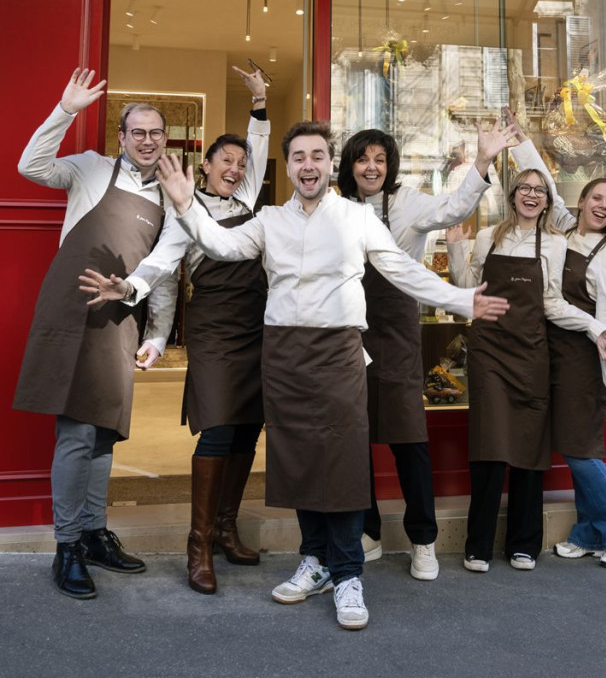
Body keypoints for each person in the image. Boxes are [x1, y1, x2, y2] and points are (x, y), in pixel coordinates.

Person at [155, 120, 509, 631]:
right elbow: (221, 247)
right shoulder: (270, 219)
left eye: (317, 155)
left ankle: (347, 575)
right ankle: (315, 559)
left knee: (341, 463)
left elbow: (401, 269)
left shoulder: (355, 217)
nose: (308, 165)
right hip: (282, 354)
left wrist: (459, 300)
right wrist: (187, 205)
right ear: (288, 166)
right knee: (298, 461)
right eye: (298, 157)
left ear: (328, 164)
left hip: (340, 351)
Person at [79, 67, 270, 595]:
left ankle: (227, 528)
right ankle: (198, 544)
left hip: (256, 327)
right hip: (214, 330)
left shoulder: (250, 202)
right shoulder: (185, 206)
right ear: (205, 165)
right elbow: (164, 264)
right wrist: (136, 295)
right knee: (218, 429)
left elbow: (257, 142)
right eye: (225, 160)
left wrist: (259, 102)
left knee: (249, 428)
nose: (235, 168)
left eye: (241, 163)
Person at [13, 68, 178, 599]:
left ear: (165, 139)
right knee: (77, 433)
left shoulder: (172, 195)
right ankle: (66, 547)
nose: (147, 140)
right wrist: (65, 110)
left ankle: (92, 533)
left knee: (105, 432)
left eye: (155, 132)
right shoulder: (90, 168)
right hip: (74, 311)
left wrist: (157, 334)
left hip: (122, 317)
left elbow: (165, 268)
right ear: (122, 136)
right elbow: (30, 166)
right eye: (137, 132)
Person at [336, 120, 515, 580]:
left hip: (397, 331)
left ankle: (423, 539)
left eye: (380, 159)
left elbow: (455, 207)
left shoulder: (408, 203)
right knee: (354, 436)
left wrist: (482, 160)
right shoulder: (337, 208)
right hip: (348, 330)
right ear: (350, 166)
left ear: (390, 166)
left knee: (408, 438)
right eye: (363, 159)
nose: (371, 167)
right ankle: (368, 531)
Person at [448, 168, 606, 572]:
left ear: (546, 201)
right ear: (512, 195)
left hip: (530, 353)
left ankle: (524, 544)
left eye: (540, 190)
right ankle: (478, 545)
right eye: (525, 187)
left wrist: (593, 327)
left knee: (528, 445)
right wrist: (455, 249)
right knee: (488, 446)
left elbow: (552, 303)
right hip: (489, 352)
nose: (532, 194)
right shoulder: (489, 237)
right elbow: (467, 289)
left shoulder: (555, 244)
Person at [506, 114, 606, 568]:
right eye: (596, 198)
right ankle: (589, 531)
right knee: (573, 446)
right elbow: (546, 183)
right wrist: (522, 142)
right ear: (581, 202)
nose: (603, 206)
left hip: (585, 362)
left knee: (581, 451)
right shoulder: (564, 228)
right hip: (555, 358)